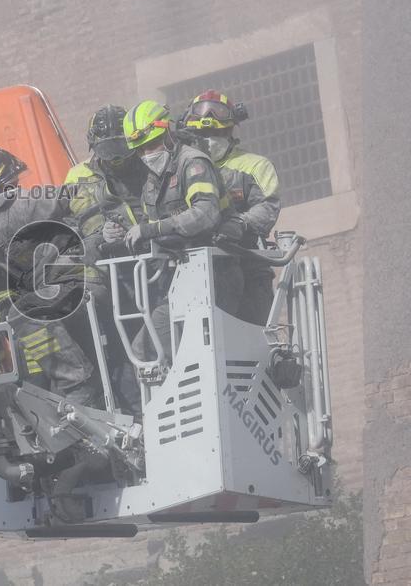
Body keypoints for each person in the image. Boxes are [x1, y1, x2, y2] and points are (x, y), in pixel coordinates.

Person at [0, 148, 100, 408]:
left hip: (77, 279)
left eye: (14, 184)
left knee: (24, 315)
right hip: (50, 291)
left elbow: (74, 194)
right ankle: (49, 402)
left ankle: (78, 383)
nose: (16, 189)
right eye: (10, 185)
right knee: (21, 327)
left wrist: (96, 237)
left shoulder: (21, 207)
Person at [121, 100, 241, 368]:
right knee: (145, 349)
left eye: (151, 145)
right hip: (181, 278)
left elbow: (205, 214)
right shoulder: (152, 181)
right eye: (140, 149)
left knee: (198, 353)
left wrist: (152, 229)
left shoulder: (193, 163)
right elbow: (148, 223)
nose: (147, 153)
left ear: (168, 134)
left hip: (216, 273)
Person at [63, 104, 148, 413]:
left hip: (151, 264)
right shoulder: (79, 177)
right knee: (119, 343)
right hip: (106, 274)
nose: (116, 159)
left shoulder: (144, 164)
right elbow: (80, 222)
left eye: (121, 150)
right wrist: (103, 235)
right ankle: (136, 411)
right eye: (108, 151)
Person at [180, 90, 281, 325]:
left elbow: (267, 207)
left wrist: (240, 223)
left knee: (257, 338)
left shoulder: (255, 165)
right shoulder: (184, 168)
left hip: (249, 264)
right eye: (203, 133)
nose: (210, 139)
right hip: (195, 270)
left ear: (230, 130)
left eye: (217, 132)